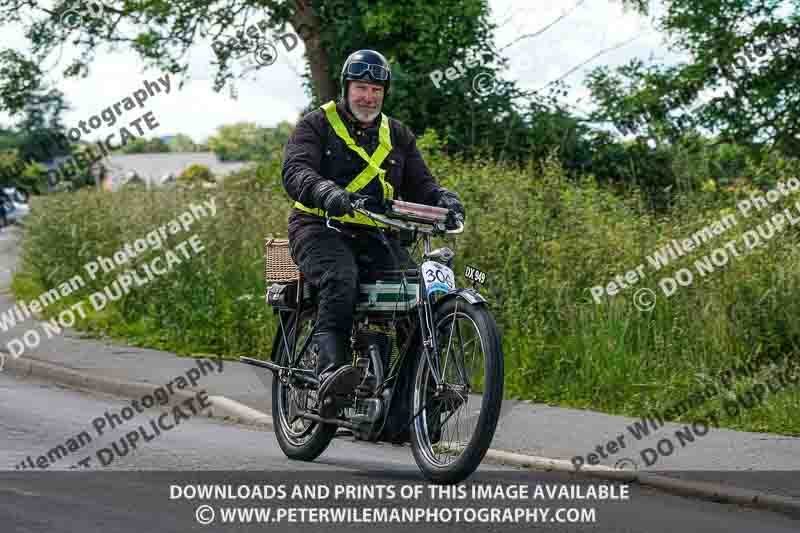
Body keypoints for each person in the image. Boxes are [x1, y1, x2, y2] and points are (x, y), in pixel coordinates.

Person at [281, 49, 465, 416]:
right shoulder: (316, 124)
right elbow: (296, 171)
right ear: (346, 88)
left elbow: (422, 185)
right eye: (361, 87)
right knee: (340, 277)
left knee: (420, 293)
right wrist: (328, 192)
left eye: (376, 90)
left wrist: (446, 200)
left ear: (385, 93)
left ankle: (417, 392)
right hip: (319, 227)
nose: (368, 96)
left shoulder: (397, 135)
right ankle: (330, 372)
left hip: (376, 236)